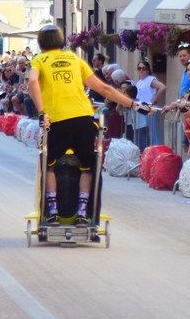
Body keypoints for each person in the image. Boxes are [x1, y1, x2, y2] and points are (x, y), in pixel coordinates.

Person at [28, 26, 145, 227]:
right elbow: (103, 88)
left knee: (49, 164)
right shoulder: (74, 59)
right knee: (88, 165)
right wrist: (132, 104)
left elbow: (32, 82)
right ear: (61, 41)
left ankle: (53, 211)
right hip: (82, 117)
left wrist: (41, 112)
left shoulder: (39, 60)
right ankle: (83, 212)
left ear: (40, 43)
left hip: (56, 120)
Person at [133, 60, 166, 151]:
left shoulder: (150, 79)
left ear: (148, 70)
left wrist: (152, 101)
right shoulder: (139, 82)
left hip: (149, 110)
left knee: (153, 133)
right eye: (139, 68)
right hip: (140, 111)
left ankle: (157, 152)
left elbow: (162, 87)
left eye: (143, 68)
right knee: (144, 135)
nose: (141, 70)